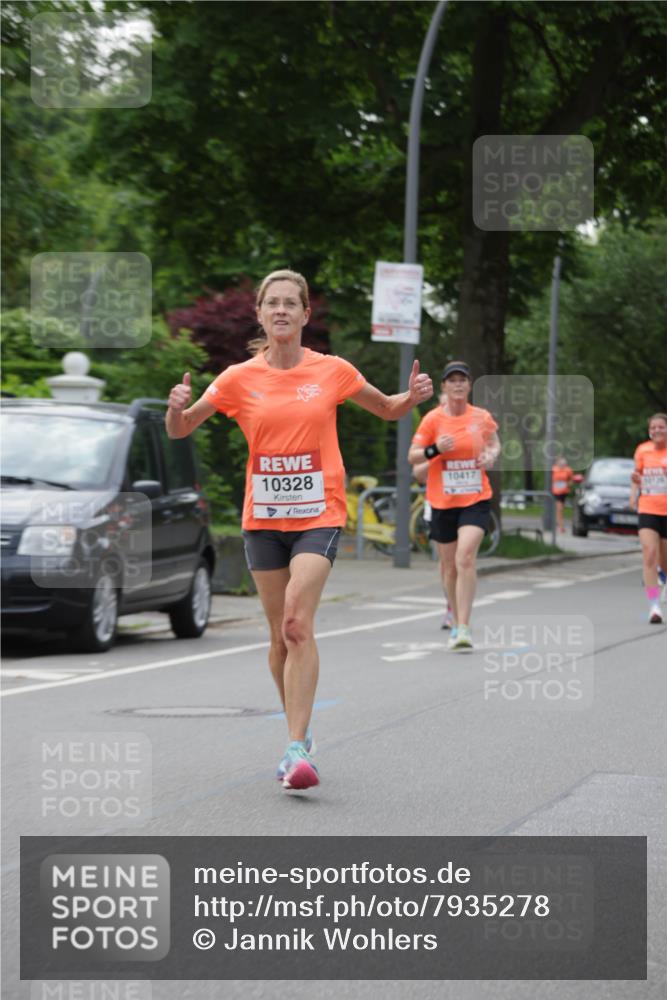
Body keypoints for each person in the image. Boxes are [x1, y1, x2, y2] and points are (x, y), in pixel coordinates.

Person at [166, 269, 433, 790]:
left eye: (292, 303)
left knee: (295, 624)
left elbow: (385, 408)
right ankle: (301, 731)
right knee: (276, 639)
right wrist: (174, 410)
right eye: (273, 303)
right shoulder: (238, 378)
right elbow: (183, 428)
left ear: (306, 314)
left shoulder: (331, 371)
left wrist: (413, 396)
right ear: (260, 314)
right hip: (262, 519)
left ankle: (292, 750)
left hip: (320, 514)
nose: (282, 310)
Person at [408, 361, 500, 651]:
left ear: (469, 385)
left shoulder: (481, 417)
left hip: (475, 498)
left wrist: (490, 456)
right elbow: (413, 457)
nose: (458, 385)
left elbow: (495, 444)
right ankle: (454, 611)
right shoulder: (433, 420)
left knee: (465, 557)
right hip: (442, 501)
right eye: (452, 380)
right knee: (448, 567)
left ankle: (463, 626)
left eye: (463, 380)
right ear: (444, 387)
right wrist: (436, 449)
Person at [412, 390, 454, 629]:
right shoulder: (431, 431)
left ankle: (460, 606)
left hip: (467, 503)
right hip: (437, 503)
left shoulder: (467, 428)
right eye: (443, 404)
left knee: (463, 558)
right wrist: (436, 453)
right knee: (447, 562)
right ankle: (451, 607)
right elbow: (417, 473)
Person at [629, 413, 667, 625]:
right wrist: (633, 493)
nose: (656, 431)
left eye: (661, 427)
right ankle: (654, 606)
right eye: (653, 428)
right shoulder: (642, 450)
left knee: (664, 559)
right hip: (648, 507)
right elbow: (637, 475)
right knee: (650, 555)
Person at [551, 455, 574, 533]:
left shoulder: (568, 470)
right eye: (560, 460)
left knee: (561, 509)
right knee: (559, 508)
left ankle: (559, 523)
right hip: (556, 492)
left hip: (564, 492)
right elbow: (550, 479)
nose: (562, 462)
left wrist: (568, 484)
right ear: (557, 462)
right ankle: (561, 526)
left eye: (563, 460)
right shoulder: (554, 469)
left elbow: (571, 480)